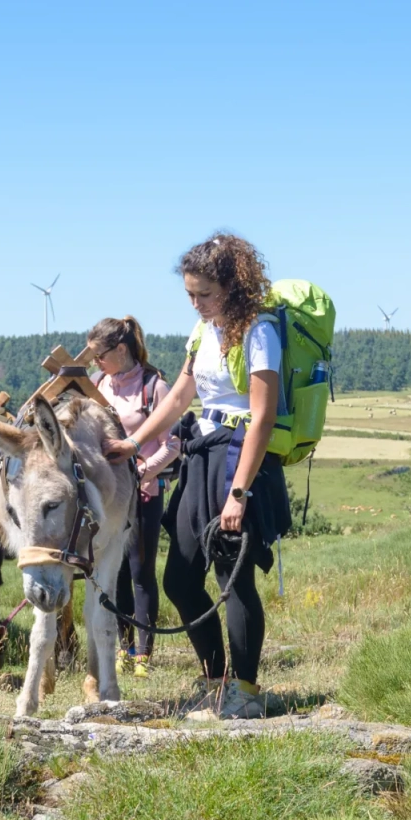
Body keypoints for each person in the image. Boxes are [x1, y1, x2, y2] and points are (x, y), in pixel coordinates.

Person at [106, 232, 293, 718]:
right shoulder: (201, 333)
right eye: (189, 293)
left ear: (232, 285)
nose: (195, 302)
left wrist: (238, 494)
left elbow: (263, 417)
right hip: (201, 456)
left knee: (233, 578)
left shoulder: (260, 333)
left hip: (239, 461)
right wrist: (133, 441)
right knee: (180, 579)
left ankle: (246, 692)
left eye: (204, 293)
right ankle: (215, 682)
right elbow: (179, 399)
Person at [86, 316, 180, 679]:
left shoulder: (154, 386)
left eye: (99, 355)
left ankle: (144, 652)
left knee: (141, 571)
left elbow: (173, 445)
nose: (95, 363)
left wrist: (143, 471)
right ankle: (122, 646)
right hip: (109, 497)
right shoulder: (98, 385)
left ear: (120, 350)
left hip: (144, 492)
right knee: (116, 570)